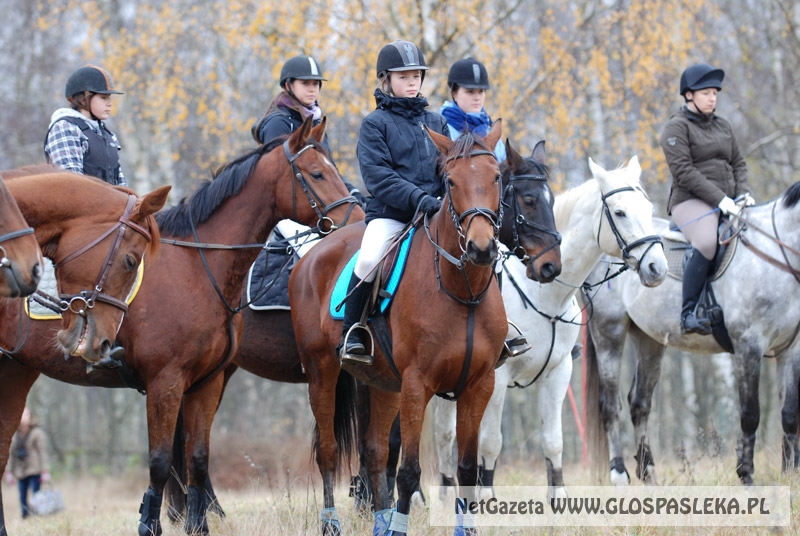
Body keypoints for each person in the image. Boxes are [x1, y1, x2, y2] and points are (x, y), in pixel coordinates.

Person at [338, 40, 449, 366]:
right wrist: (419, 198)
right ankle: (353, 332)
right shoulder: (375, 124)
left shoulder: (437, 122)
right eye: (404, 77)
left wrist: (446, 198)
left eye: (416, 76)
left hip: (434, 212)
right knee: (368, 259)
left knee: (481, 249)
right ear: (386, 80)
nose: (412, 82)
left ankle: (495, 328)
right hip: (392, 215)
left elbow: (448, 168)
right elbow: (379, 178)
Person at [661, 63, 754, 335]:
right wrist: (721, 199)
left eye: (715, 93)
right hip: (690, 201)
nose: (712, 98)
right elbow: (684, 172)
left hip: (729, 200)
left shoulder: (723, 125)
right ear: (689, 95)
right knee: (706, 241)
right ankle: (688, 313)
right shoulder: (676, 129)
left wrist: (743, 193)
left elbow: (738, 163)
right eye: (706, 93)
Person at [250, 53, 363, 203]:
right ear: (288, 85)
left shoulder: (316, 123)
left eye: (315, 84)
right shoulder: (277, 123)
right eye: (305, 83)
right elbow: (276, 179)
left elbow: (329, 171)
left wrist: (352, 193)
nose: (312, 89)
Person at [44, 64, 126, 186]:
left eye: (109, 98)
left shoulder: (108, 135)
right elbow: (71, 185)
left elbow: (121, 185)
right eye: (103, 97)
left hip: (109, 199)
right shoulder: (65, 128)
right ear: (84, 99)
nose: (109, 103)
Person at [440, 57, 506, 162]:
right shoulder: (441, 128)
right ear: (454, 94)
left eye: (481, 91)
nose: (477, 98)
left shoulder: (489, 128)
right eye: (470, 91)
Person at [5, 407, 50, 519]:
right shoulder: (15, 434)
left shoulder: (37, 433)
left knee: (36, 495)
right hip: (20, 471)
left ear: (31, 417)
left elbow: (42, 453)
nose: (23, 418)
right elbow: (10, 454)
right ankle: (25, 517)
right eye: (21, 414)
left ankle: (37, 517)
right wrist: (8, 472)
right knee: (22, 496)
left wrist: (45, 471)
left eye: (26, 415)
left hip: (35, 470)